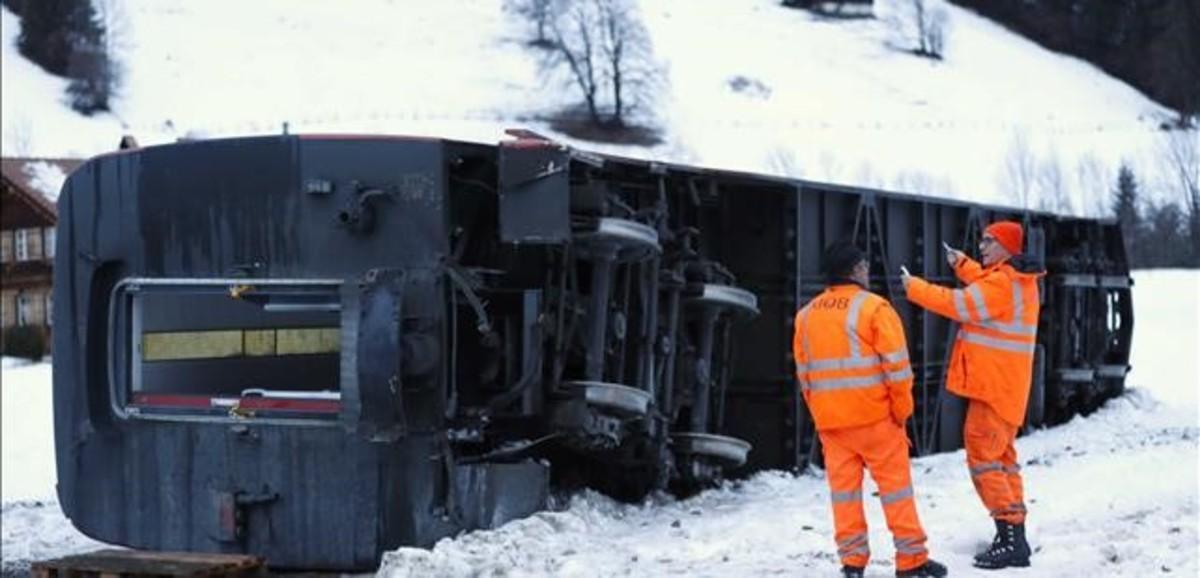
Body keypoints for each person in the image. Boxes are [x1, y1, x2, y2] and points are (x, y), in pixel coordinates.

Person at [794, 241, 948, 578]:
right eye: (864, 266)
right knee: (897, 491)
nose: (867, 271)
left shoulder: (805, 316)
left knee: (844, 497)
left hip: (833, 425)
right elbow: (898, 369)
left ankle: (852, 565)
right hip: (876, 420)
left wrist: (822, 413)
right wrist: (901, 412)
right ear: (856, 270)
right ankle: (911, 562)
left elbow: (805, 375)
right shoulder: (875, 309)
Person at [900, 221, 1042, 570]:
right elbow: (985, 283)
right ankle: (1014, 535)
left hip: (993, 390)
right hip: (1005, 389)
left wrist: (914, 287)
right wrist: (961, 263)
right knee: (1003, 461)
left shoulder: (1001, 284)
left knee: (984, 461)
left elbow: (961, 305)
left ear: (1007, 247)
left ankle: (1010, 537)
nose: (982, 246)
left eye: (989, 242)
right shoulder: (1015, 280)